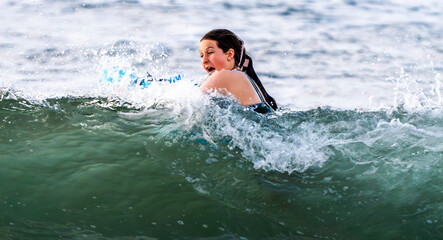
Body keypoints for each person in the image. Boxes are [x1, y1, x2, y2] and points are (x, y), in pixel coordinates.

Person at [199, 29, 278, 113]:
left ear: (229, 54)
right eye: (201, 55)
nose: (204, 60)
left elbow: (192, 103)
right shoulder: (241, 76)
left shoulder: (225, 75)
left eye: (210, 52)